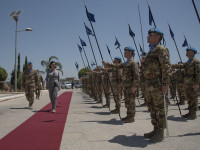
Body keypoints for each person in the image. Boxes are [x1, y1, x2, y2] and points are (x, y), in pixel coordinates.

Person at [143, 28, 171, 143]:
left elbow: (166, 67)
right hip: (149, 84)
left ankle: (160, 132)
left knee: (160, 109)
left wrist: (165, 83)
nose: (148, 36)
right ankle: (155, 129)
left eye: (151, 34)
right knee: (152, 108)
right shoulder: (150, 51)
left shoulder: (161, 49)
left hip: (158, 84)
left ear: (158, 37)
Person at [103, 47, 139, 123]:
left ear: (130, 53)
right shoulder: (125, 63)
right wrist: (107, 64)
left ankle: (131, 117)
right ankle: (128, 115)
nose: (124, 52)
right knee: (127, 101)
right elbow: (117, 66)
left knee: (131, 101)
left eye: (126, 51)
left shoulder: (133, 62)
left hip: (130, 85)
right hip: (126, 85)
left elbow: (136, 75)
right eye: (124, 51)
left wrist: (134, 86)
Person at [172, 47, 200, 119]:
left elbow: (198, 74)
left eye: (188, 51)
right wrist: (170, 65)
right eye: (186, 51)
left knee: (193, 99)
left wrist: (197, 84)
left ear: (193, 53)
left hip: (193, 84)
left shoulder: (196, 62)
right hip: (187, 84)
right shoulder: (188, 62)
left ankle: (193, 114)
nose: (186, 52)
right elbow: (180, 66)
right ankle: (190, 112)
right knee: (189, 98)